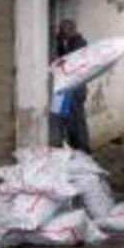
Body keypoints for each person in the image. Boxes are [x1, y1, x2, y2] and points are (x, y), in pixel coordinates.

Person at [53, 19, 91, 153]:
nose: (60, 32)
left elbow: (67, 63)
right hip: (66, 89)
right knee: (63, 118)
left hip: (75, 89)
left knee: (77, 121)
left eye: (62, 30)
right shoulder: (68, 42)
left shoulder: (79, 44)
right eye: (60, 30)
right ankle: (71, 147)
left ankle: (83, 150)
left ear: (70, 30)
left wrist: (60, 45)